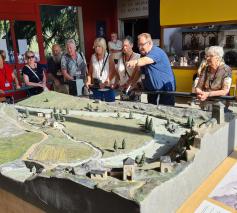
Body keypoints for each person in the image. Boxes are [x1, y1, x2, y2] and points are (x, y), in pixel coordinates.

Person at [126, 33, 176, 106]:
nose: (140, 47)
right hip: (151, 93)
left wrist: (135, 62)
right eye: (138, 45)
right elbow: (139, 71)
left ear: (149, 43)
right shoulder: (143, 55)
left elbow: (146, 60)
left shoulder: (156, 51)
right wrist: (132, 84)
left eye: (142, 44)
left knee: (165, 115)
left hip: (164, 93)